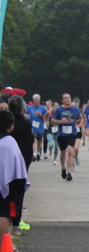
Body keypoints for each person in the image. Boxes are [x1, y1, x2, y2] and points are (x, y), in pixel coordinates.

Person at [0, 110, 28, 243]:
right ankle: (2, 245)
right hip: (8, 185)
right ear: (11, 126)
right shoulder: (9, 142)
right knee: (4, 213)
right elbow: (18, 167)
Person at [52, 93, 82, 181]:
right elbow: (52, 121)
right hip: (61, 134)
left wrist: (80, 123)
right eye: (65, 98)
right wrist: (60, 122)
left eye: (69, 97)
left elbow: (81, 117)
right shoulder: (59, 109)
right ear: (62, 100)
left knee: (70, 152)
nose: (68, 99)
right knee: (63, 152)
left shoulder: (75, 109)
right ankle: (63, 168)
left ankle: (69, 173)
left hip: (72, 134)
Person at [27, 94, 47, 162]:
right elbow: (25, 114)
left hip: (40, 127)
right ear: (33, 100)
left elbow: (46, 119)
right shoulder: (29, 108)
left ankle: (38, 153)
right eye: (34, 100)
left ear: (39, 100)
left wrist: (41, 115)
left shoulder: (43, 108)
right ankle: (34, 154)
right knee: (34, 140)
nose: (36, 101)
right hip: (32, 127)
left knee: (39, 142)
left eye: (37, 100)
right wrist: (27, 116)